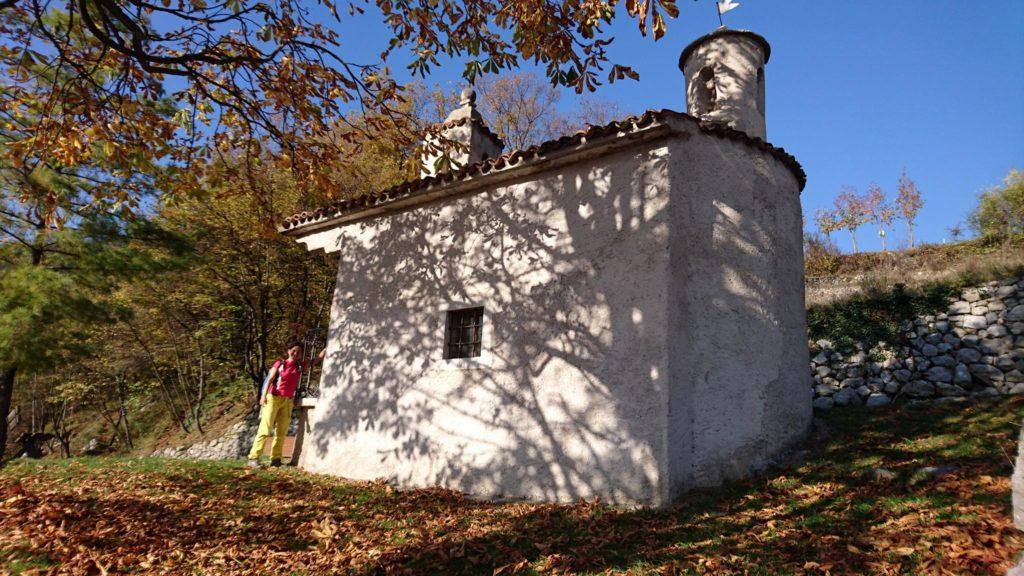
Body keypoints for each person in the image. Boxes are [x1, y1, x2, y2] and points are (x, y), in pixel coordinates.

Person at [247, 340, 325, 468]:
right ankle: (253, 458)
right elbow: (270, 379)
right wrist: (263, 397)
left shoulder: (300, 366)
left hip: (288, 401)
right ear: (289, 351)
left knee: (282, 431)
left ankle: (276, 459)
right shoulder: (280, 363)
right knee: (265, 429)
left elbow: (316, 359)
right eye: (294, 350)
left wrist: (328, 346)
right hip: (273, 398)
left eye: (299, 352)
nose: (296, 353)